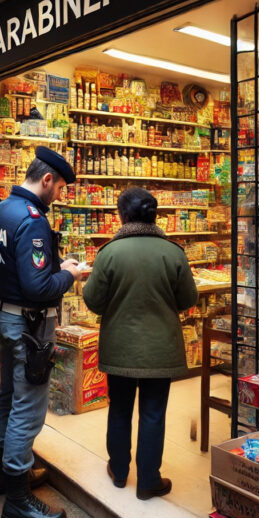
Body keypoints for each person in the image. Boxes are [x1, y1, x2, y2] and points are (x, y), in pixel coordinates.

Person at [0, 146, 81, 518]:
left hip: (6, 315)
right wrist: (70, 274)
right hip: (29, 324)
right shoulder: (32, 219)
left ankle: (5, 476)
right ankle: (18, 500)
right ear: (45, 180)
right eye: (58, 188)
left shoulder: (2, 209)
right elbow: (39, 284)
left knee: (8, 395)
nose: (60, 195)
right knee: (28, 406)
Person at [82, 187, 198, 500]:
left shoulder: (109, 253)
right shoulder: (173, 252)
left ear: (122, 216)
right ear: (154, 215)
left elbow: (92, 300)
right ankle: (149, 480)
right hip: (161, 350)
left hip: (119, 347)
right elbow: (189, 298)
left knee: (119, 410)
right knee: (153, 414)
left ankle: (119, 472)